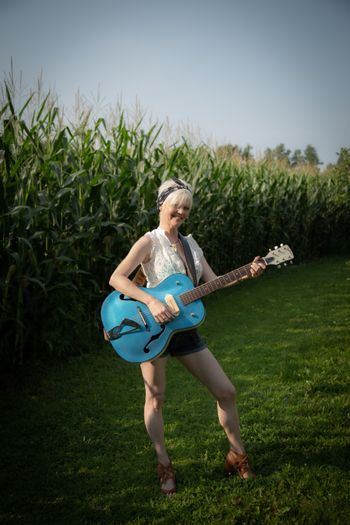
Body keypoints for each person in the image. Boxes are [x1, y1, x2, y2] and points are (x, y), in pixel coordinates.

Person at [109, 178, 266, 496]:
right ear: (162, 205)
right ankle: (164, 464)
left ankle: (237, 455)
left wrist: (248, 271)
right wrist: (151, 301)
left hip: (185, 331)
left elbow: (215, 282)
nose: (181, 211)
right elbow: (116, 279)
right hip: (154, 332)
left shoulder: (192, 245)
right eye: (176, 205)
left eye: (187, 207)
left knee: (227, 391)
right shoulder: (149, 242)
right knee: (155, 397)